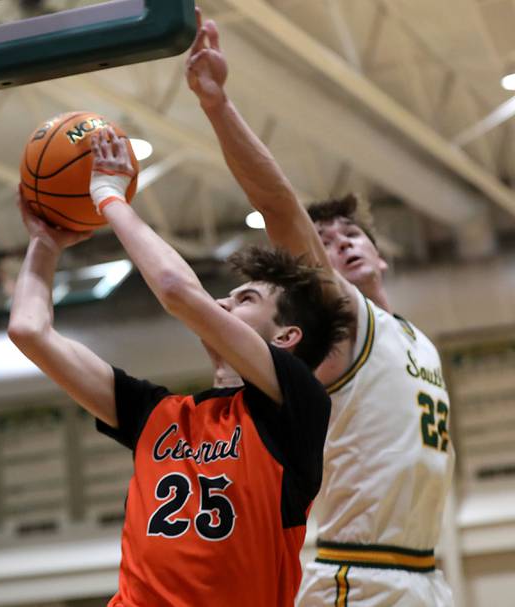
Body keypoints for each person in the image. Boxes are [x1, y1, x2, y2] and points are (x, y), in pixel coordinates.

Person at [8, 127, 351, 606]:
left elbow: (175, 288)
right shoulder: (156, 414)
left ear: (286, 338)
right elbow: (29, 331)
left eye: (245, 298)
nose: (220, 304)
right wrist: (44, 245)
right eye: (225, 295)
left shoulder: (296, 404)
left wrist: (110, 196)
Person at [186, 10, 455, 606]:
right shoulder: (345, 324)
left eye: (350, 236)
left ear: (379, 254)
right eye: (325, 244)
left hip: (422, 571)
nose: (338, 246)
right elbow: (281, 210)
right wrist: (217, 104)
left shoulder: (412, 337)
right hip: (355, 574)